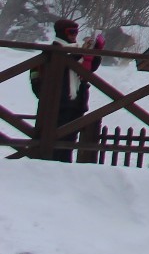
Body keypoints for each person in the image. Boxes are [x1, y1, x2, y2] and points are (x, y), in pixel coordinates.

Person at [30, 18, 102, 162]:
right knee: (53, 141)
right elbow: (36, 76)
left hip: (75, 103)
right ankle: (48, 169)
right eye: (71, 31)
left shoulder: (77, 50)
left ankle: (63, 170)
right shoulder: (52, 51)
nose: (74, 34)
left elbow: (89, 67)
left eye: (76, 31)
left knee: (69, 142)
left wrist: (96, 52)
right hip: (57, 105)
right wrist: (45, 98)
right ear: (62, 32)